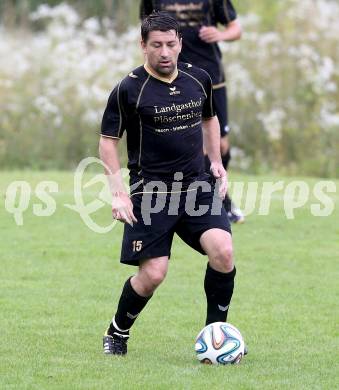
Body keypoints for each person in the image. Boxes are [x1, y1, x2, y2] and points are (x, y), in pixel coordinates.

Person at [100, 12, 237, 356]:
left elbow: (209, 118)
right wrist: (118, 195)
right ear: (142, 45)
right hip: (151, 194)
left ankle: (215, 333)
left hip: (196, 187)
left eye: (171, 44)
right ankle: (118, 331)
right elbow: (107, 142)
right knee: (154, 275)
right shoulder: (129, 89)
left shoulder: (199, 78)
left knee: (223, 252)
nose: (164, 52)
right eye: (156, 45)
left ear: (180, 44)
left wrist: (216, 163)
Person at [140, 0, 245, 223]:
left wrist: (220, 35)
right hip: (172, 78)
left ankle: (217, 196)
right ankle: (208, 201)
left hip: (211, 78)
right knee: (185, 140)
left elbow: (236, 29)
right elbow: (145, 31)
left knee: (221, 145)